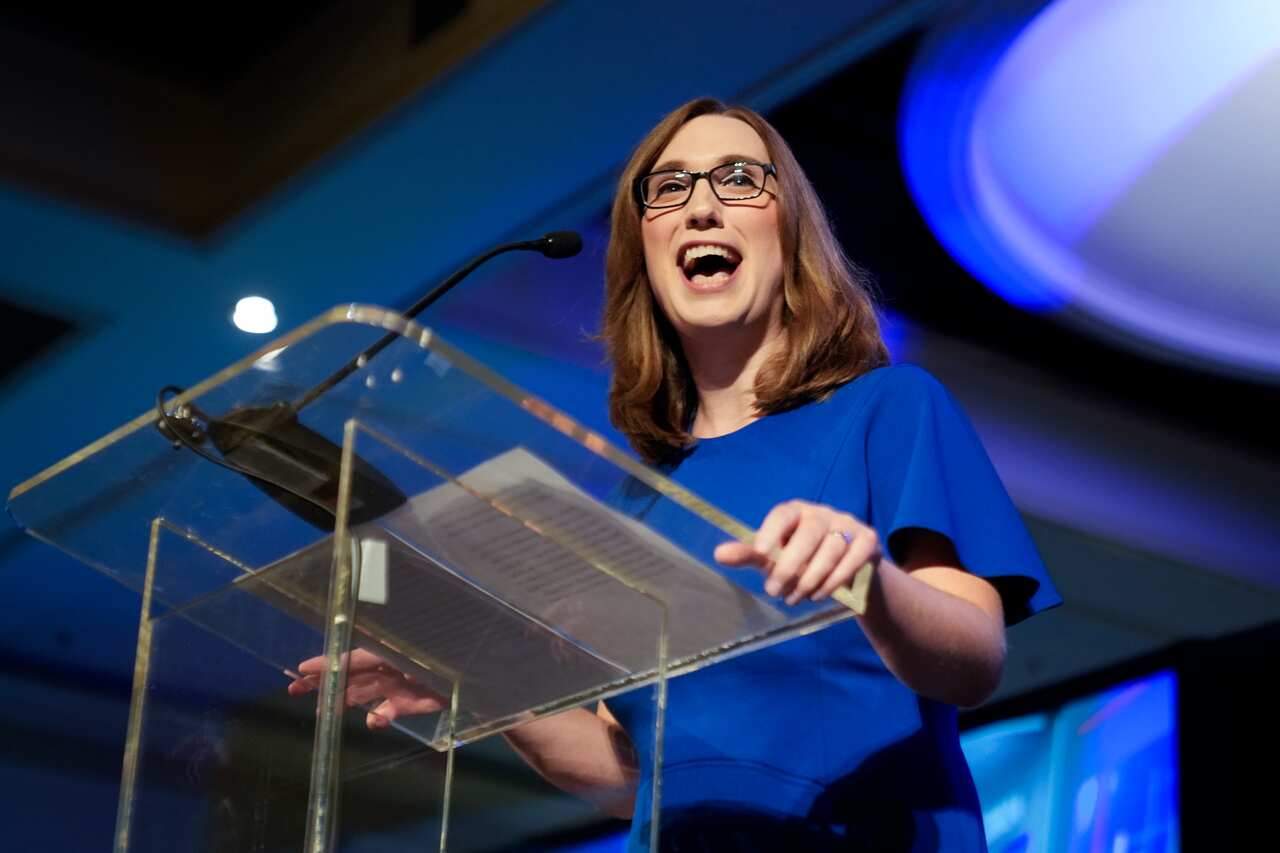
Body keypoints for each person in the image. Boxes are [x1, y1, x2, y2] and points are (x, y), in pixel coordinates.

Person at [291, 98, 1061, 851]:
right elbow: (632, 773)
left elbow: (974, 659)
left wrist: (868, 579)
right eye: (670, 188)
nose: (701, 208)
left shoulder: (889, 410)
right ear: (644, 251)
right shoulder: (632, 502)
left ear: (789, 231)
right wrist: (473, 682)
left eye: (737, 179)